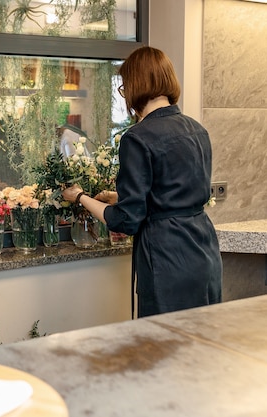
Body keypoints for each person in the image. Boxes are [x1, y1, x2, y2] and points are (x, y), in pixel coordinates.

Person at [62, 46, 222, 318]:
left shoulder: (137, 138)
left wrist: (80, 197)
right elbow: (175, 191)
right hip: (205, 251)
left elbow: (126, 220)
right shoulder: (198, 130)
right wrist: (118, 197)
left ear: (134, 85)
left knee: (164, 345)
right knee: (201, 343)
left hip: (167, 256)